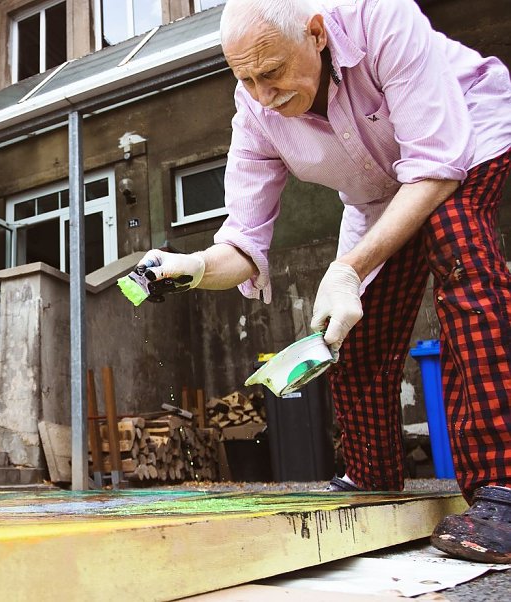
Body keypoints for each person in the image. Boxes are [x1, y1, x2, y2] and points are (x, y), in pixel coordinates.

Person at [137, 0, 511, 563]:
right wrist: (194, 269)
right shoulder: (255, 109)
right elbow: (242, 242)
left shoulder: (381, 20)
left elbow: (437, 163)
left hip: (467, 135)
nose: (265, 94)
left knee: (460, 251)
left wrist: (347, 267)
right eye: (247, 79)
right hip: (381, 195)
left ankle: (502, 486)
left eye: (272, 73)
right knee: (349, 332)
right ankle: (372, 477)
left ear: (316, 34)